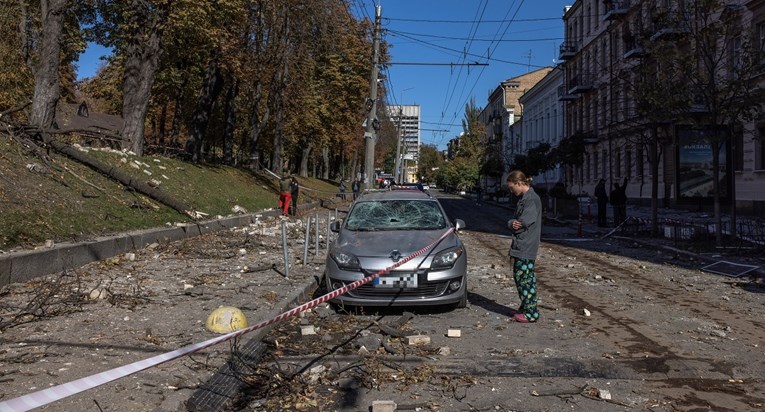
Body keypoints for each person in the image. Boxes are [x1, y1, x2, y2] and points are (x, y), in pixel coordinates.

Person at [506, 170, 542, 323]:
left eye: (511, 187)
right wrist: (510, 223)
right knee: (523, 278)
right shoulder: (525, 199)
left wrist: (511, 224)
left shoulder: (531, 200)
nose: (511, 191)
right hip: (523, 244)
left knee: (524, 279)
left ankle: (530, 312)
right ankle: (526, 306)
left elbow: (520, 224)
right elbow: (514, 222)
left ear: (519, 183)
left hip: (525, 245)